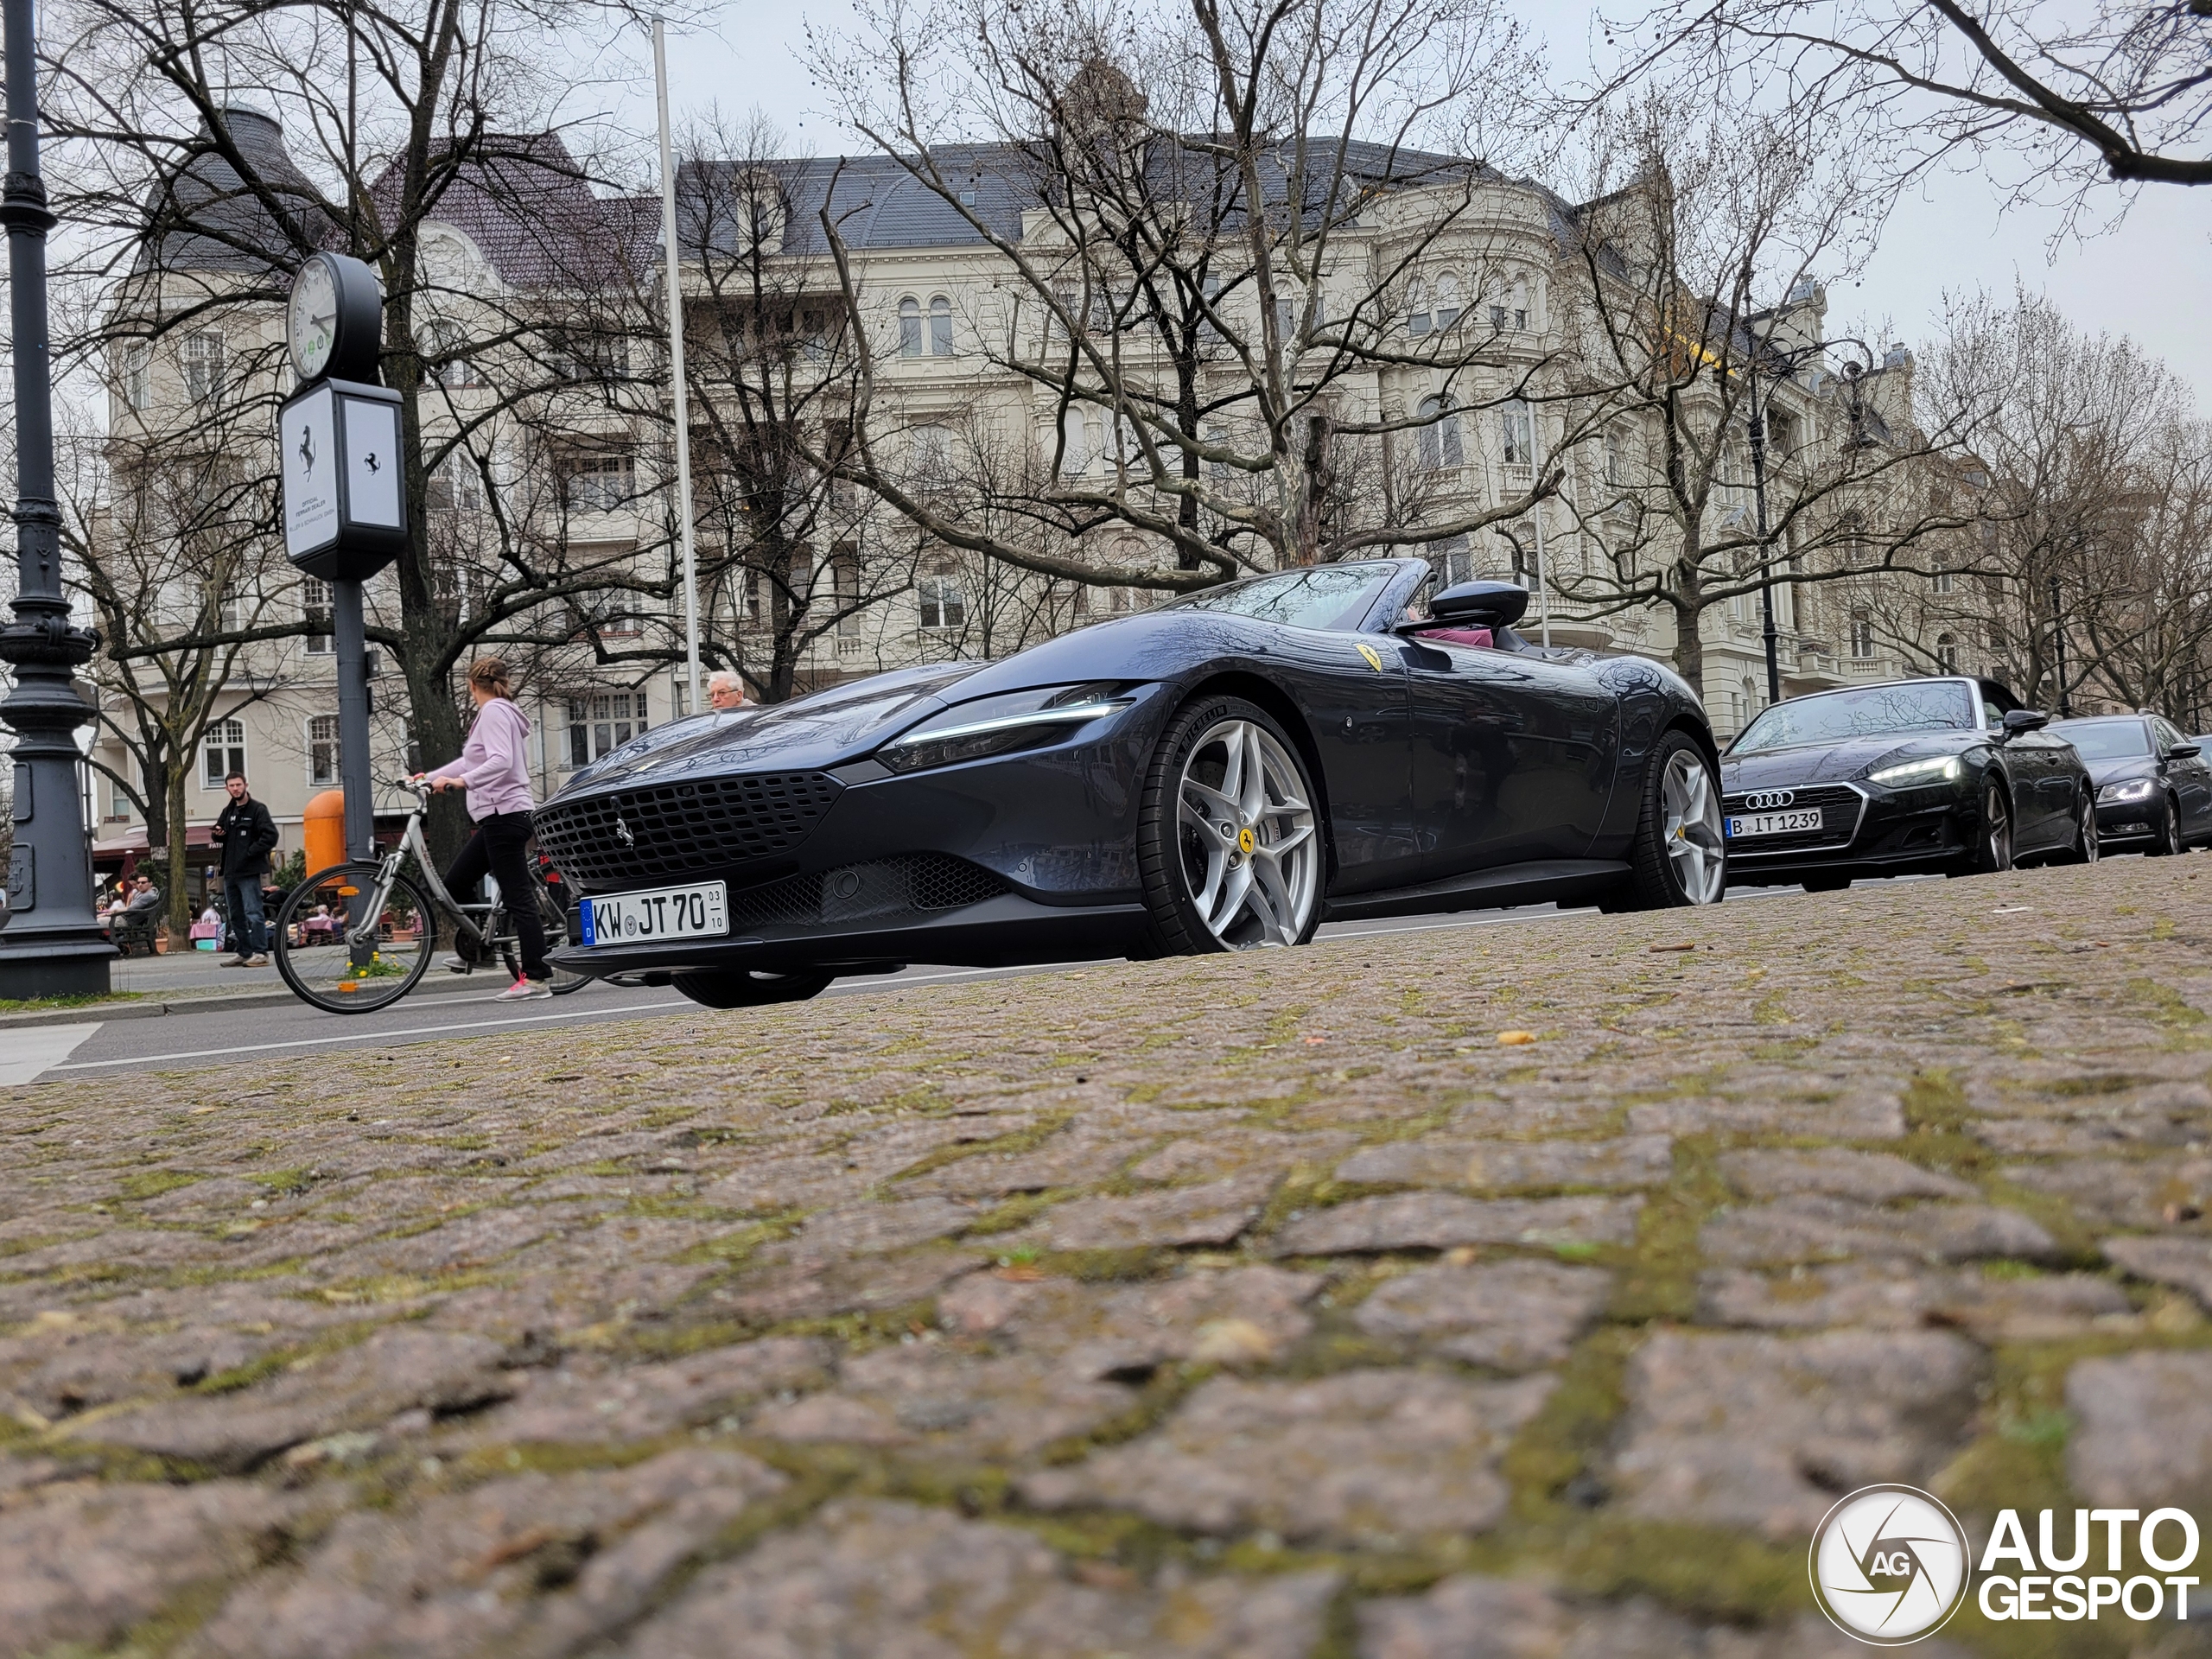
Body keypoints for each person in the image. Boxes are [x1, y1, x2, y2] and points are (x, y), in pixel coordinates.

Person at [427, 656, 552, 1000]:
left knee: (518, 899)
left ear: (471, 686)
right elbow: (472, 759)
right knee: (456, 882)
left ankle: (537, 978)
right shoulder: (495, 713)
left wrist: (460, 782)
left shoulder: (495, 712)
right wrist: (428, 778)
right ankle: (479, 950)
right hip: (496, 817)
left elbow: (501, 761)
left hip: (506, 814)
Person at [209, 772, 279, 967]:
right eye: (231, 786)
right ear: (227, 788)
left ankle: (260, 952)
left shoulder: (257, 810)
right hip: (230, 872)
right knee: (235, 915)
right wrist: (218, 834)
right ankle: (244, 951)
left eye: (238, 785)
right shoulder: (228, 811)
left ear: (245, 785)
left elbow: (271, 836)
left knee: (254, 912)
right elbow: (219, 834)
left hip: (249, 871)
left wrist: (250, 852)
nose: (236, 789)